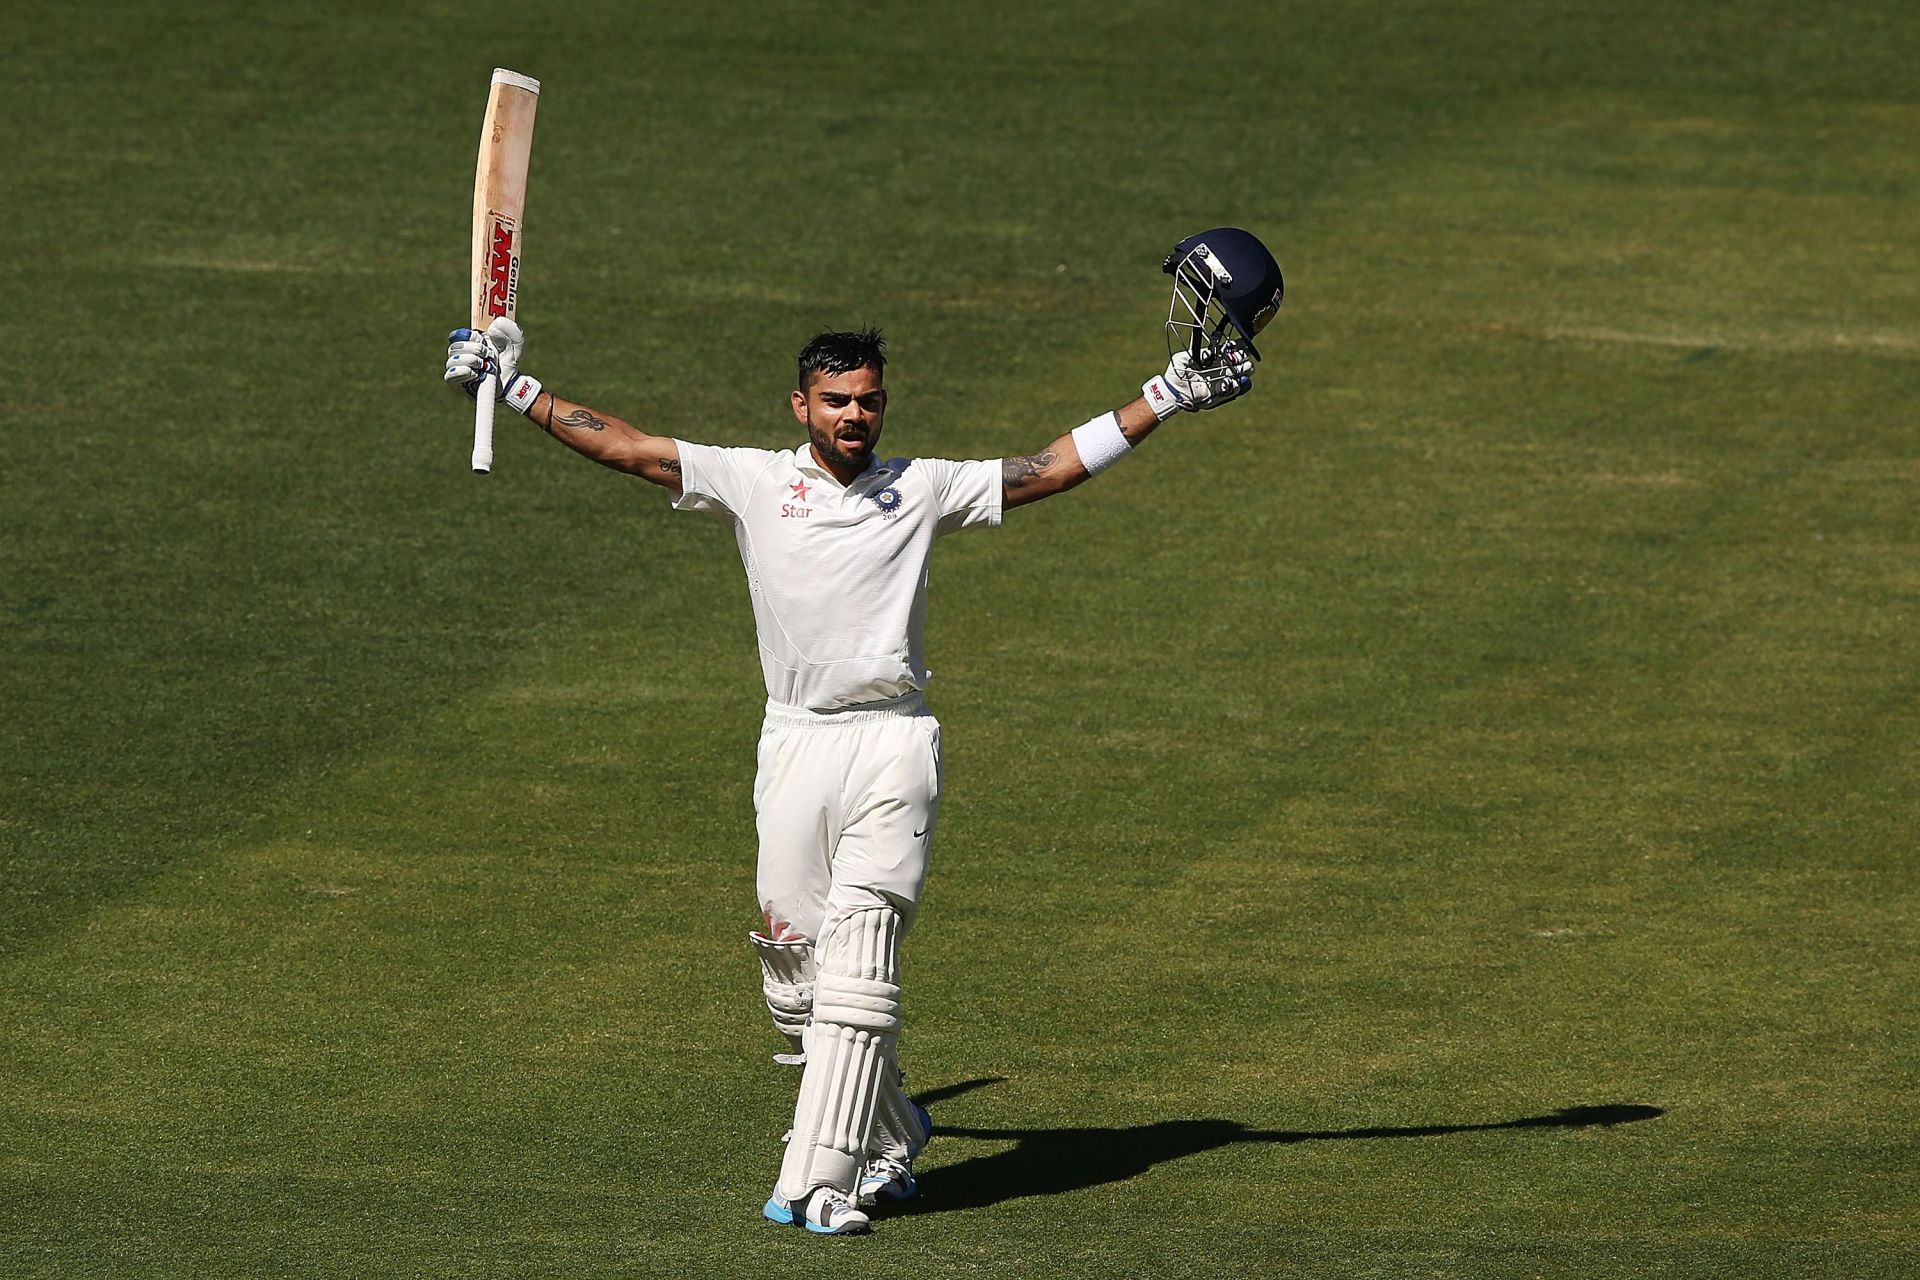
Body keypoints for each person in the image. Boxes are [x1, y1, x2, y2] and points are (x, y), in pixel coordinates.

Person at [440, 231, 1278, 1237]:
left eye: (868, 400)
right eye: (835, 401)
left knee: (864, 942)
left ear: (883, 404)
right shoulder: (753, 480)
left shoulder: (918, 487)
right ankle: (893, 1129)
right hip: (794, 740)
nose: (853, 416)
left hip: (892, 741)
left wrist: (1167, 395)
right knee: (793, 961)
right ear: (802, 406)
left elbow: (1047, 467)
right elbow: (630, 445)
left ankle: (826, 1182)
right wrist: (518, 384)